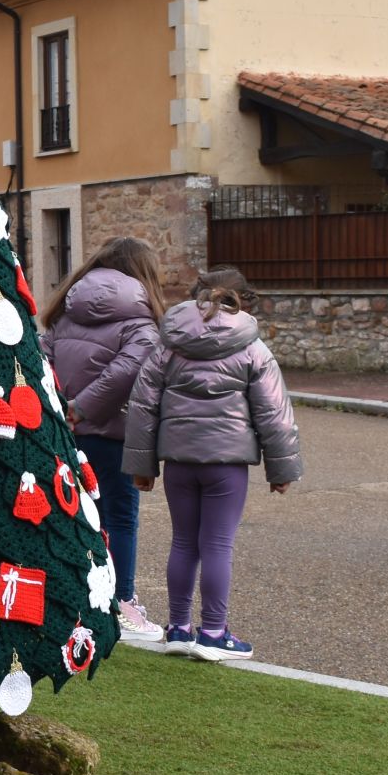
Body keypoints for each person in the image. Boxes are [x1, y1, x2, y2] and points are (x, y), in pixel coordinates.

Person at [122, 268, 303, 661]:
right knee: (217, 543)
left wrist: (143, 464)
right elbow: (274, 411)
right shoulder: (253, 347)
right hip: (228, 463)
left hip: (179, 462)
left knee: (184, 541)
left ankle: (179, 628)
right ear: (243, 300)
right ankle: (214, 633)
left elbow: (142, 405)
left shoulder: (169, 344)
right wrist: (281, 469)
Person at [41, 236, 167, 640]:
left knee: (72, 514)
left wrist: (62, 407)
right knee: (120, 518)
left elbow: (42, 355)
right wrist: (83, 407)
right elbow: (128, 369)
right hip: (112, 434)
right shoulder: (142, 321)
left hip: (64, 430)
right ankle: (120, 604)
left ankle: (76, 598)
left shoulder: (66, 311)